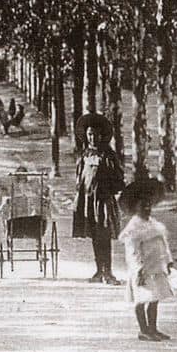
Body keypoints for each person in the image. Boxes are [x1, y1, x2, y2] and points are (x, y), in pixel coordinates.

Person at [72, 113, 127, 284]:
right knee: (95, 235)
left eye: (95, 134)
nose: (92, 137)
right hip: (87, 201)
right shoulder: (84, 154)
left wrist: (108, 190)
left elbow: (119, 178)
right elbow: (79, 177)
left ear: (101, 135)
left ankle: (108, 272)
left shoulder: (108, 155)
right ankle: (98, 270)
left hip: (102, 201)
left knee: (104, 235)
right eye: (89, 134)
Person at [120, 176, 174, 341]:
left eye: (149, 204)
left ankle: (153, 328)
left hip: (156, 266)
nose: (147, 208)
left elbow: (163, 243)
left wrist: (168, 260)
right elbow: (132, 251)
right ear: (135, 207)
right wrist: (138, 268)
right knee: (142, 298)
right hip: (143, 269)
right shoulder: (133, 228)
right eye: (143, 205)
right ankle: (143, 329)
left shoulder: (153, 224)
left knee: (155, 298)